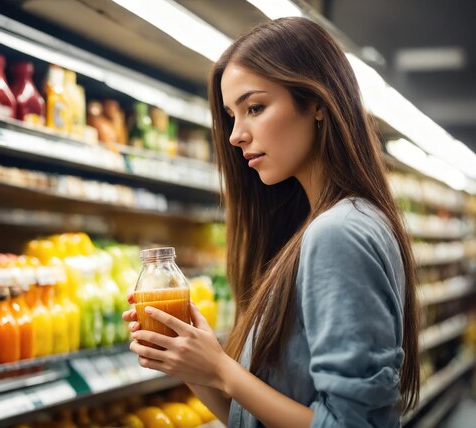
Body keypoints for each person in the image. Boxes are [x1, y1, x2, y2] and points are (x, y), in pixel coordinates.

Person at [123, 16, 420, 428]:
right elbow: (254, 420)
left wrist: (222, 370)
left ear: (318, 103)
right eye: (231, 115)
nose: (235, 135)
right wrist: (194, 364)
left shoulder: (338, 233)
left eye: (255, 108)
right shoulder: (323, 225)